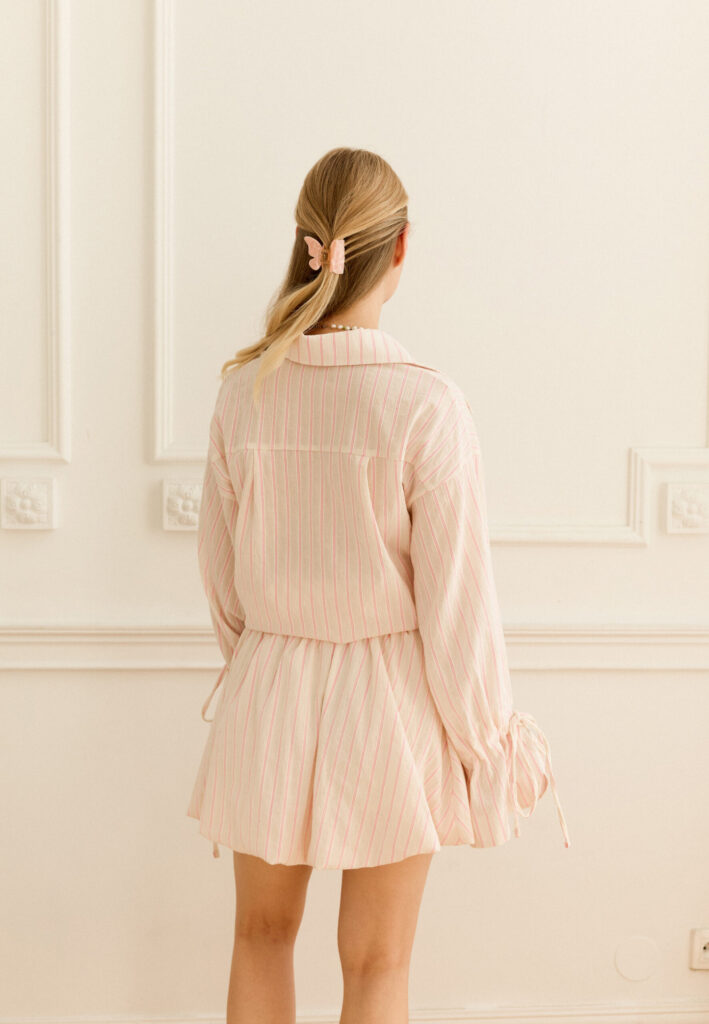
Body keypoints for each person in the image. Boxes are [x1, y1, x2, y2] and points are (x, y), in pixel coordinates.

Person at [186, 146, 570, 1024]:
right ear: (399, 247)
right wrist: (489, 745)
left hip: (269, 684)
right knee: (377, 962)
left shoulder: (243, 392)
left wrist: (266, 664)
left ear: (306, 244)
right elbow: (456, 606)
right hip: (392, 701)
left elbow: (221, 580)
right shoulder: (425, 405)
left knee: (258, 937)